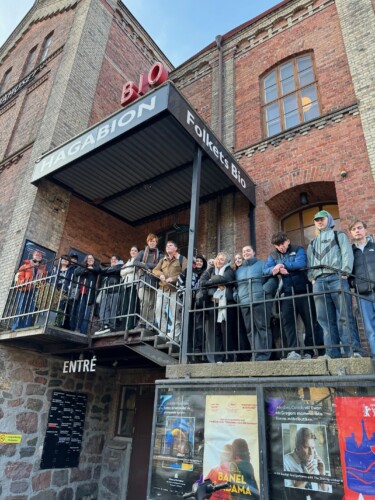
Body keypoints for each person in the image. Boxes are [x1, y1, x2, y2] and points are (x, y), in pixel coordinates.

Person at [307, 210, 362, 358]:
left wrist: (345, 271)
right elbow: (309, 262)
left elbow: (346, 253)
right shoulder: (312, 243)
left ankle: (353, 351)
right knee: (324, 319)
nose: (319, 221)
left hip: (336, 277)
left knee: (345, 316)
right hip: (319, 281)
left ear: (329, 219)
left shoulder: (339, 235)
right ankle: (332, 352)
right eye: (316, 220)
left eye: (322, 219)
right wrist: (312, 277)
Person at [264, 232, 321, 360]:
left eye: (282, 244)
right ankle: (293, 351)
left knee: (310, 322)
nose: (280, 247)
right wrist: (277, 267)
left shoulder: (298, 249)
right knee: (288, 323)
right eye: (277, 246)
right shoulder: (273, 255)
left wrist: (283, 266)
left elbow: (301, 264)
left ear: (288, 241)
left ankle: (310, 351)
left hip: (304, 290)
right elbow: (266, 269)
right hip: (287, 293)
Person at [234, 246, 277, 361]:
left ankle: (263, 356)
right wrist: (237, 296)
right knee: (250, 330)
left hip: (260, 300)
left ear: (254, 252)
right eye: (243, 251)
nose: (246, 253)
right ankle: (255, 354)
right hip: (244, 303)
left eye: (248, 250)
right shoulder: (239, 270)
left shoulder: (263, 264)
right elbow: (235, 286)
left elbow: (273, 279)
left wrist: (265, 291)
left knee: (262, 328)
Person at [200, 252, 236, 363]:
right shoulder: (210, 270)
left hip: (226, 303)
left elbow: (225, 280)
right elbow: (202, 282)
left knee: (226, 331)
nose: (219, 261)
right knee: (216, 332)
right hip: (213, 303)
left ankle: (228, 357)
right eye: (218, 259)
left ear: (225, 262)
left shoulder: (229, 270)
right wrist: (215, 281)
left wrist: (210, 281)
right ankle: (218, 358)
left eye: (222, 260)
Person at [349, 219, 375, 359]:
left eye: (359, 228)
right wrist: (354, 284)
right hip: (363, 295)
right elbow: (348, 273)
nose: (357, 231)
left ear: (365, 230)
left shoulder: (374, 247)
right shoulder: (351, 253)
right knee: (370, 330)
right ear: (351, 233)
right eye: (354, 229)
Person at [152, 241, 187, 342]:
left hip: (175, 291)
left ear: (175, 248)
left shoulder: (182, 259)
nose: (168, 247)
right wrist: (160, 274)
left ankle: (175, 337)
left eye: (170, 245)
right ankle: (162, 333)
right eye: (167, 245)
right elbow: (154, 270)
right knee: (158, 310)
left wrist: (174, 278)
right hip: (162, 289)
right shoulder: (163, 260)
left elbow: (186, 272)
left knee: (176, 314)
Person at [177, 254, 207, 357]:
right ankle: (186, 346)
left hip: (199, 301)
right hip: (188, 300)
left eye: (201, 261)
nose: (199, 263)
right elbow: (179, 282)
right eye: (197, 261)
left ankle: (198, 347)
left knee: (199, 324)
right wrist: (183, 294)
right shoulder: (188, 271)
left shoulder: (205, 273)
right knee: (187, 323)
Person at [284, 427, 329, 491]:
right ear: (298, 446)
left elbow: (325, 490)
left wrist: (322, 473)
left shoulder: (315, 462)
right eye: (307, 447)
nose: (311, 453)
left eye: (313, 448)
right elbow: (288, 493)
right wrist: (306, 478)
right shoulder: (285, 462)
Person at [133, 233, 163, 329]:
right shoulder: (142, 252)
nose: (152, 243)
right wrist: (146, 267)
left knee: (151, 304)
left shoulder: (160, 254)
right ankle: (142, 322)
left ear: (156, 242)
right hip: (144, 280)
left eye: (154, 241)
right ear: (148, 242)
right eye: (150, 241)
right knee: (144, 302)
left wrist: (146, 265)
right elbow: (135, 262)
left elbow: (160, 265)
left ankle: (150, 324)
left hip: (154, 281)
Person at [11, 249, 46, 331]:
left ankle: (26, 327)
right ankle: (16, 327)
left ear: (41, 258)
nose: (38, 256)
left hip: (35, 291)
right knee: (21, 308)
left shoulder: (43, 269)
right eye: (36, 255)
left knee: (30, 309)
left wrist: (40, 287)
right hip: (24, 289)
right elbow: (19, 277)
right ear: (33, 256)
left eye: (40, 255)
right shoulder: (25, 266)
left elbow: (43, 280)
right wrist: (25, 283)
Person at [70, 254, 100, 334]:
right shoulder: (82, 267)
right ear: (86, 260)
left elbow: (98, 270)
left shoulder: (96, 267)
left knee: (86, 313)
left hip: (89, 293)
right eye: (89, 258)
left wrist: (91, 268)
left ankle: (83, 330)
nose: (90, 259)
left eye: (92, 258)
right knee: (78, 311)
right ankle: (75, 327)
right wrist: (86, 269)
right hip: (80, 293)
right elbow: (76, 272)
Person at [96, 255, 123, 335]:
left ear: (118, 261)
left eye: (115, 259)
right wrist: (106, 270)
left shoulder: (120, 266)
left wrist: (106, 270)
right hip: (107, 291)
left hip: (116, 290)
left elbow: (106, 270)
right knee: (103, 308)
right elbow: (102, 271)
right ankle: (104, 325)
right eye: (112, 259)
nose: (113, 260)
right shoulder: (109, 269)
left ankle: (111, 326)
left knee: (113, 309)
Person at [120, 246, 139, 331]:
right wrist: (128, 269)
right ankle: (124, 325)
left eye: (135, 250)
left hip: (133, 283)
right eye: (132, 250)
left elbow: (134, 268)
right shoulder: (128, 261)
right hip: (126, 283)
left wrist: (126, 270)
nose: (133, 252)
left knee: (132, 305)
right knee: (125, 305)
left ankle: (130, 324)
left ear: (138, 252)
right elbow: (121, 272)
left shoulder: (138, 260)